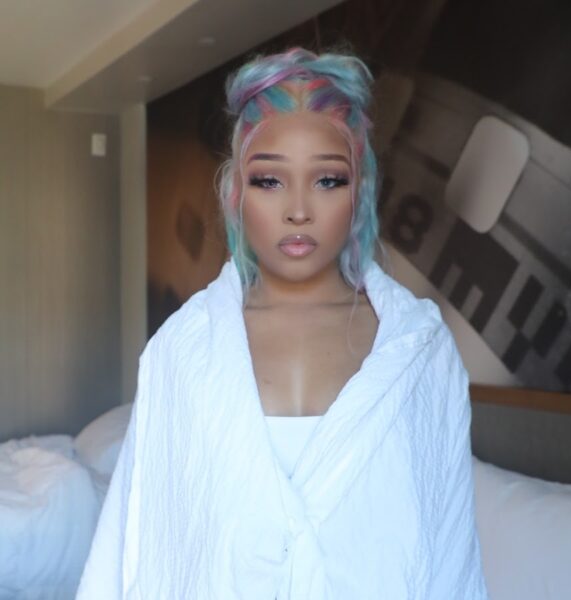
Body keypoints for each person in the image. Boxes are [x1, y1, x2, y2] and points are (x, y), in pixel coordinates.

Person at [76, 47, 488, 599]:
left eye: (327, 180)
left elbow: (452, 558)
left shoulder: (421, 353)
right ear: (236, 193)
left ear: (360, 191)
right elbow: (143, 543)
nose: (298, 209)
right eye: (270, 180)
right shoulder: (182, 351)